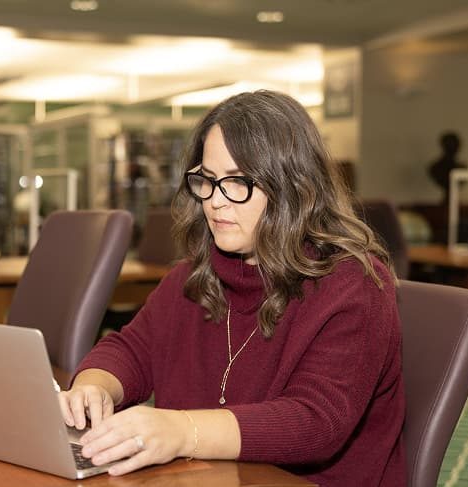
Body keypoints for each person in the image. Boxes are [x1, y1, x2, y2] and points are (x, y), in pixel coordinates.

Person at [58, 90, 406, 486]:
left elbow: (315, 422)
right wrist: (95, 385)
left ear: (295, 188)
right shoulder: (194, 277)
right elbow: (133, 349)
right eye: (207, 180)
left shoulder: (354, 286)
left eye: (238, 182)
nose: (215, 202)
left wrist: (180, 431)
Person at [428, 131, 467, 203]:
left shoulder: (463, 168)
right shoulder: (436, 168)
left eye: (454, 145)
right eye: (449, 145)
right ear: (444, 146)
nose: (453, 148)